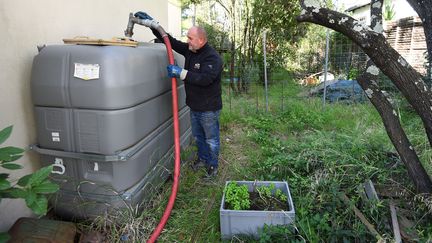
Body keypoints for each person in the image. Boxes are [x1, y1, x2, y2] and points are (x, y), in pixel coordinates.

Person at [135, 12, 223, 179]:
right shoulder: (191, 49)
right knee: (198, 137)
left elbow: (205, 79)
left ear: (201, 40)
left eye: (190, 38)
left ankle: (213, 165)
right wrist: (153, 25)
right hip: (194, 106)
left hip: (209, 109)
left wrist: (181, 73)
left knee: (211, 139)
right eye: (188, 38)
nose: (187, 41)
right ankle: (203, 159)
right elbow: (171, 42)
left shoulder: (212, 57)